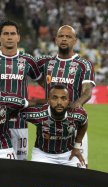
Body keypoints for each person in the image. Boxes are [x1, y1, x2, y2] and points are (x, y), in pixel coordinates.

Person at [0, 20, 42, 160]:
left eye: (13, 34)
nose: (9, 37)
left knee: (19, 168)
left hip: (20, 123)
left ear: (18, 37)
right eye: (6, 34)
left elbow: (42, 81)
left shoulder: (28, 60)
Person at [36, 25, 95, 166]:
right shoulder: (45, 62)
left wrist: (77, 104)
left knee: (78, 176)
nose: (64, 39)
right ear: (56, 40)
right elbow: (24, 64)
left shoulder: (84, 64)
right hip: (48, 125)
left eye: (68, 37)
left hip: (74, 126)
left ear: (74, 41)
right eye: (61, 36)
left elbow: (87, 91)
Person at [21, 85, 88, 168]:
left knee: (79, 179)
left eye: (63, 98)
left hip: (69, 154)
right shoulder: (37, 114)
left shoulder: (77, 114)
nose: (59, 102)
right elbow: (15, 111)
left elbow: (84, 123)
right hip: (43, 155)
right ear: (48, 100)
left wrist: (77, 146)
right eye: (54, 98)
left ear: (69, 101)